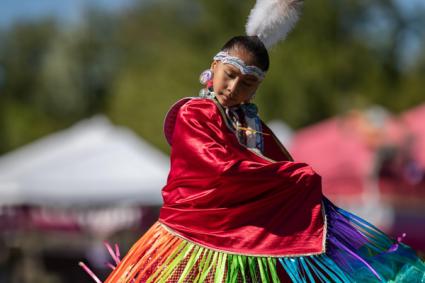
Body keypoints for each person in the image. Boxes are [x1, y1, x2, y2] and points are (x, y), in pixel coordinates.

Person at [80, 35, 425, 283]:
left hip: (247, 241)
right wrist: (289, 177)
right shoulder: (195, 112)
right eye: (229, 76)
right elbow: (218, 169)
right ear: (214, 68)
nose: (233, 88)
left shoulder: (251, 123)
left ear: (256, 89)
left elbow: (280, 164)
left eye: (246, 84)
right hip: (190, 237)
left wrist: (294, 179)